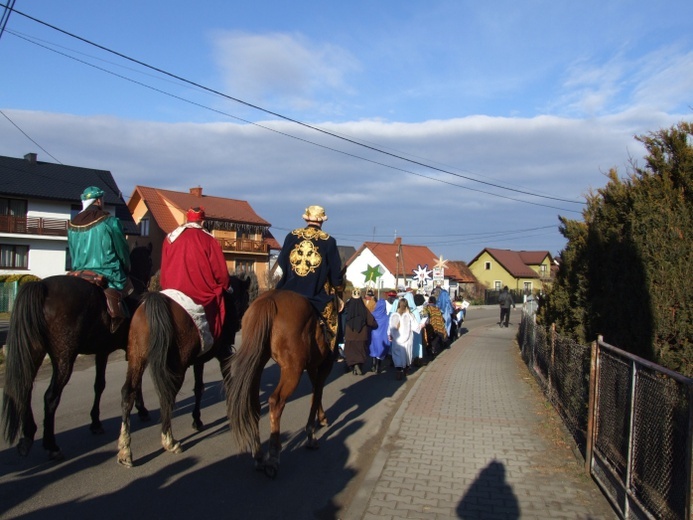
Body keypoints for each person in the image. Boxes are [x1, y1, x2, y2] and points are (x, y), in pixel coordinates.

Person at [276, 205, 344, 350]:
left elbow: (281, 260)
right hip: (315, 292)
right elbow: (335, 271)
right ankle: (330, 350)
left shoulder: (292, 235)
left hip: (287, 288)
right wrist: (338, 287)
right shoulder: (328, 240)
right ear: (322, 221)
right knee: (332, 319)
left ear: (306, 218)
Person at [159, 207, 230, 343]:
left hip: (171, 292)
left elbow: (164, 268)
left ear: (187, 219)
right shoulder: (210, 240)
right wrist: (226, 286)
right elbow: (220, 273)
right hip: (199, 294)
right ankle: (221, 344)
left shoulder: (170, 238)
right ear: (202, 222)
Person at [68, 185, 132, 332]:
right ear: (98, 201)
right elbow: (121, 249)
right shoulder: (110, 221)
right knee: (131, 293)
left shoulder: (72, 224)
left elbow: (72, 251)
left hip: (79, 273)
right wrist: (126, 266)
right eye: (101, 199)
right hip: (107, 272)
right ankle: (122, 323)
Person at [388, 297, 426, 380]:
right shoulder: (410, 316)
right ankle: (406, 369)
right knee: (407, 354)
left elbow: (390, 327)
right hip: (407, 339)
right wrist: (422, 324)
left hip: (397, 340)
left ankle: (398, 370)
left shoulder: (394, 315)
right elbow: (416, 327)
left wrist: (390, 335)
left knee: (397, 354)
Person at [343, 288, 378, 375]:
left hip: (349, 334)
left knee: (350, 351)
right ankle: (359, 365)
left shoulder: (347, 307)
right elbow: (371, 321)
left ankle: (353, 365)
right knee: (361, 351)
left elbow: (343, 319)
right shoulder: (363, 309)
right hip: (361, 334)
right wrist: (375, 325)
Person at [368, 296, 391, 373]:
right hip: (382, 337)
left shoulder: (372, 314)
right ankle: (378, 367)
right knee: (380, 351)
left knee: (373, 349)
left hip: (373, 335)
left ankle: (373, 365)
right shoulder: (386, 317)